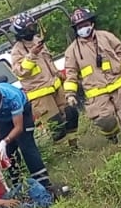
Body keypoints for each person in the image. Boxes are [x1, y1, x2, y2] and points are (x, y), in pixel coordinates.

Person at [64, 7, 121, 142]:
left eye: (85, 24)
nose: (83, 28)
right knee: (105, 120)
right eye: (79, 26)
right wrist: (70, 94)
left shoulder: (106, 37)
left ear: (92, 23)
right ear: (75, 29)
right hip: (96, 93)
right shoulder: (72, 51)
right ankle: (113, 138)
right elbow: (70, 74)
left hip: (119, 84)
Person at [0, 81, 54, 192]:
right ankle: (18, 185)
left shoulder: (12, 98)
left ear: (1, 100)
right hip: (3, 119)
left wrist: (5, 141)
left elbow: (18, 127)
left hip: (22, 113)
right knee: (6, 152)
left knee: (26, 146)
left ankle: (44, 183)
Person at [7, 12, 77, 143]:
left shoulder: (38, 41)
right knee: (56, 125)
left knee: (71, 114)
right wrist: (31, 55)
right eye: (29, 28)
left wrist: (59, 75)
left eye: (33, 26)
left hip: (56, 86)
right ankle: (64, 153)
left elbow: (48, 61)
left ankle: (75, 146)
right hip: (40, 95)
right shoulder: (17, 50)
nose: (32, 30)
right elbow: (20, 71)